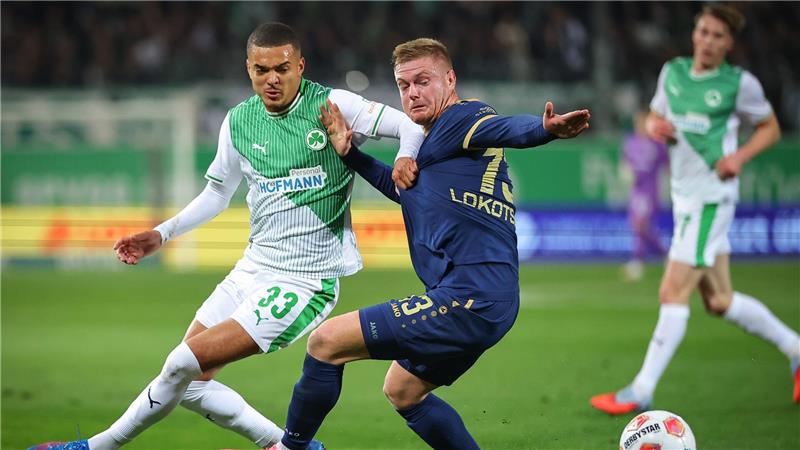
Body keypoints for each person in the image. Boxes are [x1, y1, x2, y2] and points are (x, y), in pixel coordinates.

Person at [28, 22, 424, 450]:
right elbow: (217, 193)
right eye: (261, 70)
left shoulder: (333, 104)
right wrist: (161, 235)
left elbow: (411, 127)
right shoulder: (238, 122)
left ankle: (93, 448)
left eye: (282, 69)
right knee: (189, 383)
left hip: (305, 281)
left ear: (300, 66)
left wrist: (404, 157)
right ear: (248, 69)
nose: (272, 79)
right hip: (251, 270)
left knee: (181, 362)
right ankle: (291, 446)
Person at [268, 38, 590, 450]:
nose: (413, 93)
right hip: (489, 301)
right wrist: (350, 154)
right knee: (403, 389)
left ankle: (291, 447)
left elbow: (506, 127)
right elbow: (405, 188)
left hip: (469, 298)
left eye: (423, 81)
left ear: (450, 79)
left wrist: (544, 130)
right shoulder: (438, 143)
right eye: (404, 85)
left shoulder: (462, 117)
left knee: (326, 342)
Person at [591, 4, 800, 415]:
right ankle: (796, 349)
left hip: (711, 198)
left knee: (672, 290)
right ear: (694, 33)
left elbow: (771, 128)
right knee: (719, 300)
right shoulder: (673, 73)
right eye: (703, 32)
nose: (708, 41)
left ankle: (641, 389)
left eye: (717, 36)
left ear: (729, 43)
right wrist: (655, 127)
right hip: (685, 197)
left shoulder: (739, 84)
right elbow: (655, 117)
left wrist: (739, 158)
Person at [620, 111, 669, 281]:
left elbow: (667, 165)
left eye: (642, 122)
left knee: (640, 224)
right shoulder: (630, 142)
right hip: (636, 191)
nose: (639, 126)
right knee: (638, 226)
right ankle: (666, 255)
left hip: (650, 190)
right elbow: (625, 164)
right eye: (637, 122)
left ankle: (637, 262)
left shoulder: (657, 143)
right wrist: (626, 173)